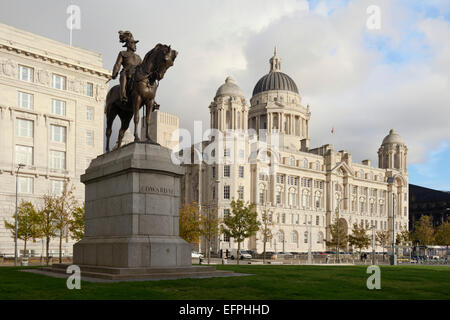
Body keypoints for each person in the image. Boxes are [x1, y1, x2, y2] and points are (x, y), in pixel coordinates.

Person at [112, 31, 142, 103]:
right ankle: (123, 95)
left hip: (136, 74)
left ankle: (150, 99)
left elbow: (143, 67)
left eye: (135, 44)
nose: (135, 46)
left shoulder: (138, 57)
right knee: (123, 76)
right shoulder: (123, 53)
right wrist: (115, 72)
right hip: (126, 72)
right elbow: (117, 64)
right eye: (133, 44)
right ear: (128, 44)